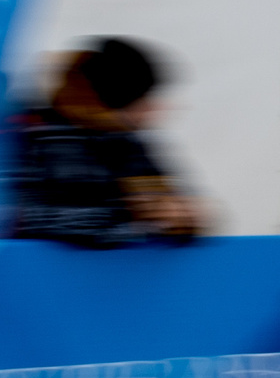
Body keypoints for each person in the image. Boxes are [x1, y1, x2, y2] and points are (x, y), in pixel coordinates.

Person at [8, 37, 201, 248]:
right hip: (37, 272)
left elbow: (161, 194)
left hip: (113, 274)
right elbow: (27, 218)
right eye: (143, 99)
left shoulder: (125, 140)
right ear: (114, 99)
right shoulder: (44, 135)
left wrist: (180, 216)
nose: (151, 109)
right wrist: (134, 217)